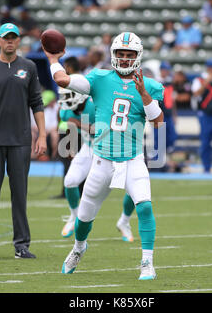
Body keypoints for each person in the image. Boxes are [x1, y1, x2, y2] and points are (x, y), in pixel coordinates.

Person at [45, 31, 164, 280]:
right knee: (85, 218)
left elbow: (159, 122)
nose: (123, 58)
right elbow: (63, 81)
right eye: (120, 53)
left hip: (132, 159)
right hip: (101, 159)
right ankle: (78, 248)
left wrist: (144, 94)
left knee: (144, 206)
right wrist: (53, 59)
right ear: (113, 55)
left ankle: (147, 262)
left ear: (138, 56)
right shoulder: (99, 78)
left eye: (129, 54)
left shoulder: (151, 85)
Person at [0, 23, 47, 259]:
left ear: (19, 40)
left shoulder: (29, 67)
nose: (10, 41)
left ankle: (22, 245)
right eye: (6, 38)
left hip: (21, 141)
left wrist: (42, 135)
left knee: (19, 193)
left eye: (14, 37)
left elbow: (37, 103)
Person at [57, 86, 136, 242]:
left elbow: (104, 129)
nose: (65, 100)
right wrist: (72, 146)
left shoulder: (94, 106)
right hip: (90, 148)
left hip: (113, 149)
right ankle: (74, 216)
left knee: (134, 189)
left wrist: (79, 125)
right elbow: (74, 127)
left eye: (69, 95)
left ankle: (124, 222)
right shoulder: (66, 111)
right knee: (70, 181)